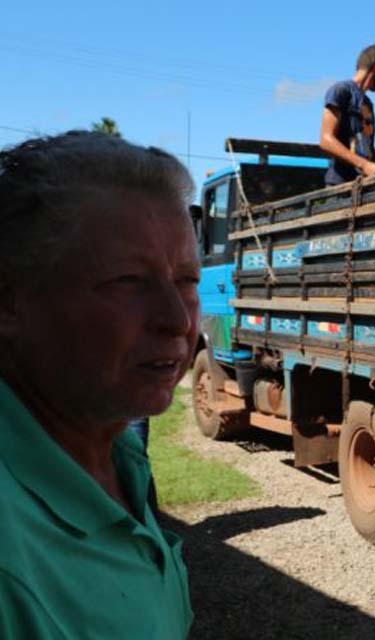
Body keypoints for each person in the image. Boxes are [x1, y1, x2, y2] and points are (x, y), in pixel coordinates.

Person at [0, 131, 197, 639]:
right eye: (128, 280)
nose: (177, 320)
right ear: (9, 301)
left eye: (187, 281)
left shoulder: (117, 453)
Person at [320, 44, 375, 185]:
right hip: (340, 188)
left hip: (364, 187)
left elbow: (367, 151)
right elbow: (326, 140)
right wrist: (364, 165)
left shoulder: (368, 104)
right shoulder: (340, 91)